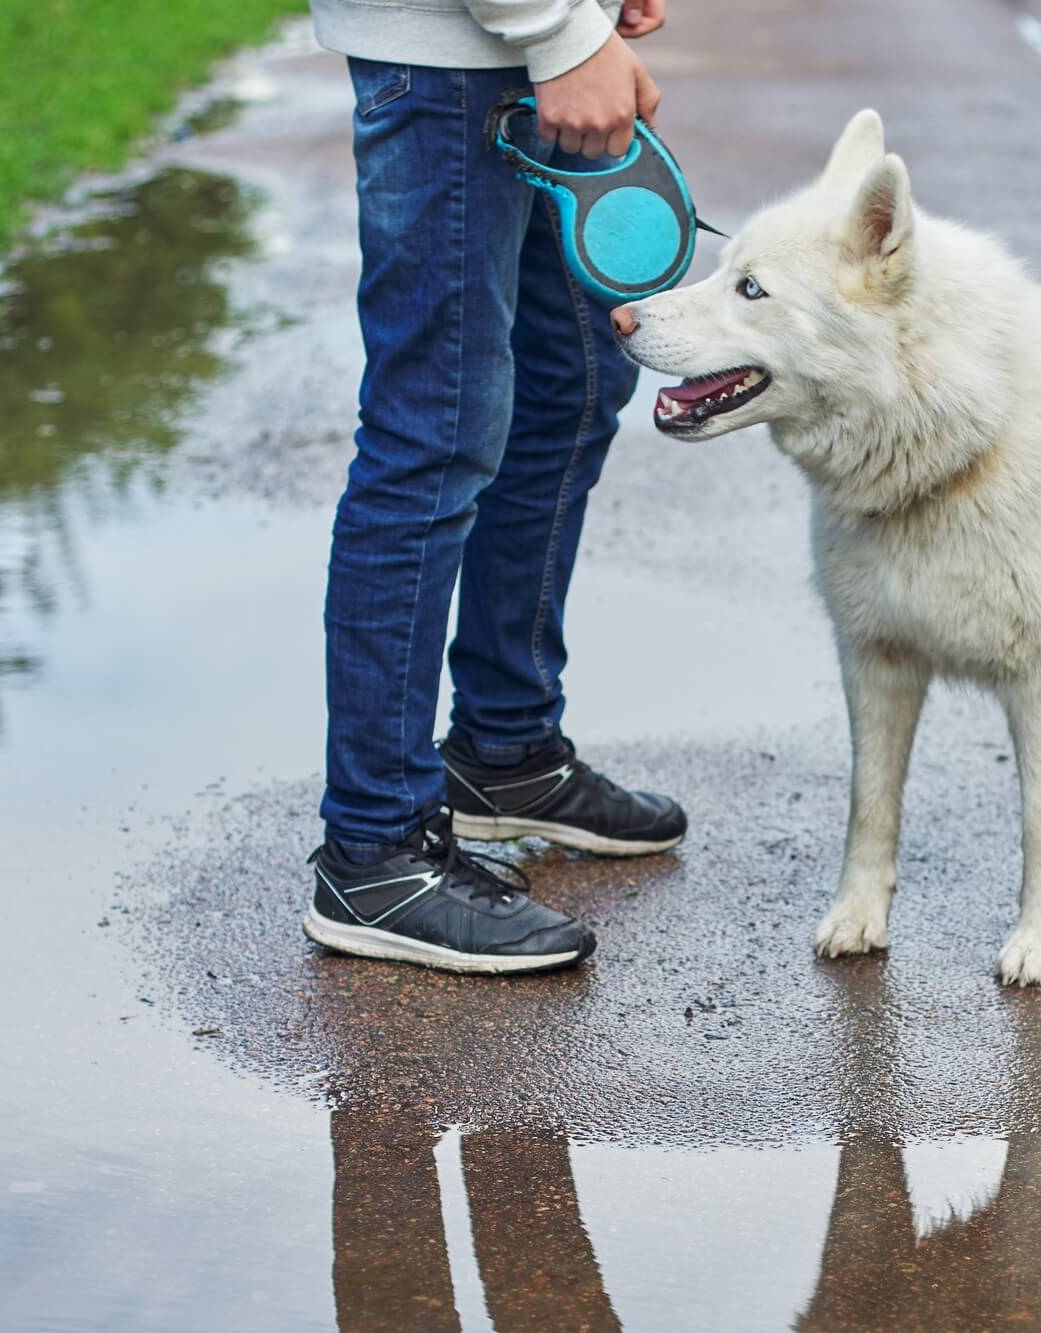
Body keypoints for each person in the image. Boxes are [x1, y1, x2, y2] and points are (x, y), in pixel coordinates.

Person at [302, 0, 684, 975]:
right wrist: (557, 30)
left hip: (510, 44)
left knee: (576, 379)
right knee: (432, 432)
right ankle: (374, 850)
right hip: (451, 60)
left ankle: (504, 748)